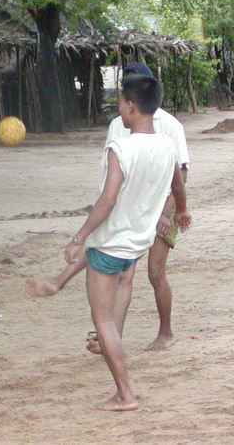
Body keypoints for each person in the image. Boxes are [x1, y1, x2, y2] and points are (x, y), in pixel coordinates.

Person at [26, 62, 190, 352]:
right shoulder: (118, 125)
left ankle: (162, 332)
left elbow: (180, 177)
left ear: (136, 98)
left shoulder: (170, 127)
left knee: (153, 273)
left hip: (157, 208)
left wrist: (169, 212)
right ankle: (111, 336)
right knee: (123, 273)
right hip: (129, 210)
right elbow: (114, 178)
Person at [64, 74, 191, 411]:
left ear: (132, 107)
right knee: (114, 309)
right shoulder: (167, 144)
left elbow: (107, 200)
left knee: (102, 321)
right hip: (137, 243)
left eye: (121, 101)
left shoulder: (120, 148)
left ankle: (125, 394)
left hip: (109, 244)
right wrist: (181, 211)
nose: (119, 107)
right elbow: (178, 186)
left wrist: (79, 237)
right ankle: (122, 385)